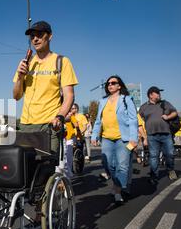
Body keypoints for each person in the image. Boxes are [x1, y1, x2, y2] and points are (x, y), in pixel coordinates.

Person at [12, 20, 78, 155]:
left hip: (49, 124)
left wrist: (59, 117)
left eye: (40, 35)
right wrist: (20, 77)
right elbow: (16, 96)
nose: (35, 39)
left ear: (50, 36)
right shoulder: (26, 62)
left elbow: (69, 95)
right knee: (24, 169)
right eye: (32, 36)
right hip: (26, 125)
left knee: (46, 167)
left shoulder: (62, 61)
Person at [91, 75, 138, 204]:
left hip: (123, 139)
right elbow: (98, 121)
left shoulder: (126, 100)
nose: (110, 85)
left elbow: (134, 120)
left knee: (122, 166)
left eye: (113, 83)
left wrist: (134, 138)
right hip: (106, 138)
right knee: (107, 164)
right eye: (108, 83)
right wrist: (94, 135)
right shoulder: (103, 101)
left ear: (119, 86)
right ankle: (116, 184)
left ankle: (117, 191)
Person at [139, 86, 178, 184]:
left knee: (169, 153)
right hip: (152, 135)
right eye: (157, 93)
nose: (160, 95)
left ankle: (170, 170)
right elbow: (141, 119)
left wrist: (168, 116)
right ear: (151, 95)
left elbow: (175, 113)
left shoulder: (165, 103)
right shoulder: (143, 107)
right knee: (153, 156)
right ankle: (154, 176)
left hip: (166, 134)